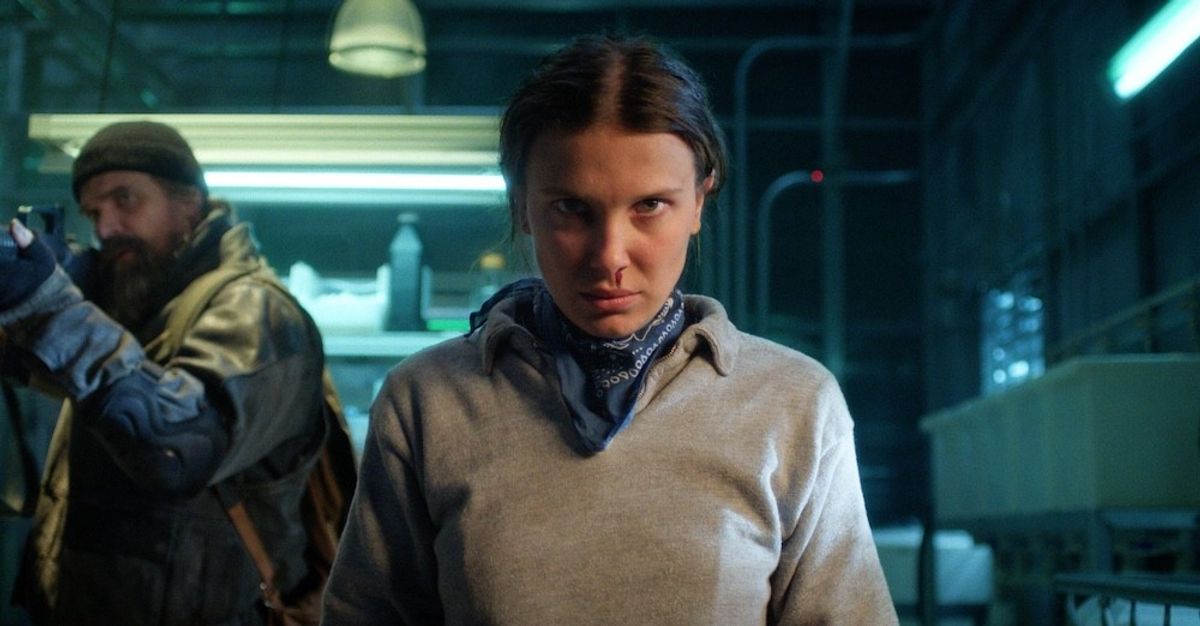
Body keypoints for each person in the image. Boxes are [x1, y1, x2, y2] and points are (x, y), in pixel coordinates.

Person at [322, 34, 898, 624]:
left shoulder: (794, 405)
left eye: (649, 206)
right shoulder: (427, 403)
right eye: (572, 210)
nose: (609, 257)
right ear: (522, 206)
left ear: (699, 202)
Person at [0, 121, 331, 624]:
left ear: (189, 202)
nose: (106, 228)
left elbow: (177, 447)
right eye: (94, 213)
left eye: (125, 199)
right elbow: (83, 374)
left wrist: (51, 308)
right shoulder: (137, 300)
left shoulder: (257, 312)